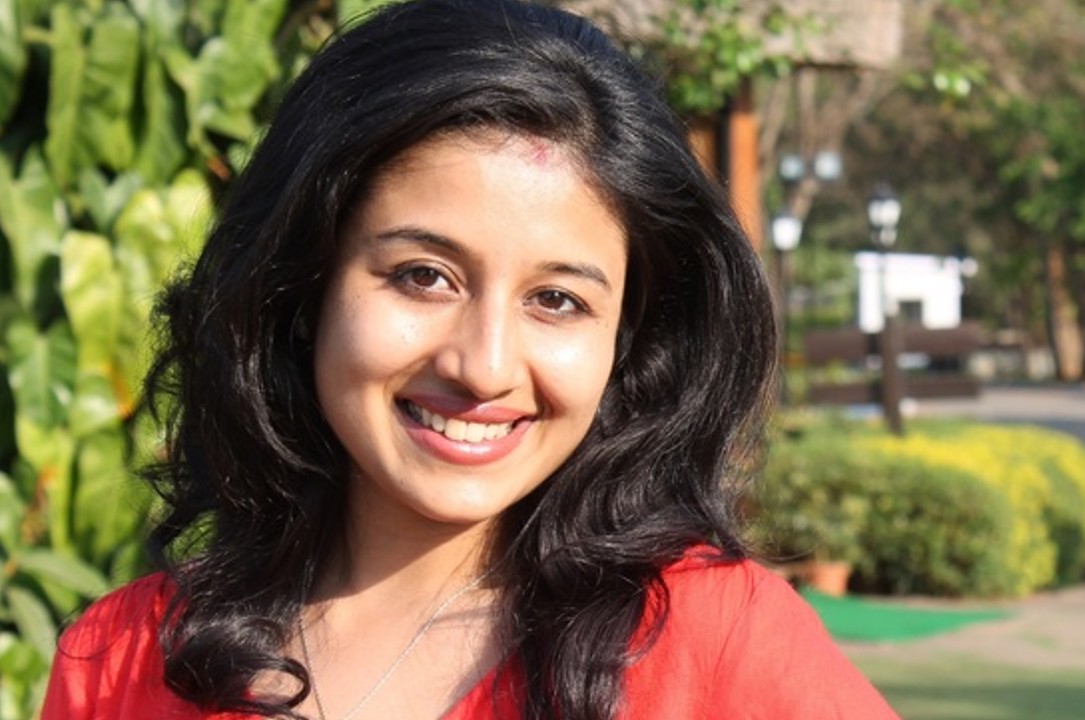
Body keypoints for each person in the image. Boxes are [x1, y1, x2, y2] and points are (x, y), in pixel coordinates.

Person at [42, 1, 900, 718]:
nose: (484, 367)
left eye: (556, 299)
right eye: (424, 276)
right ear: (301, 289)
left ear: (627, 341)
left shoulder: (715, 642)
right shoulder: (121, 661)